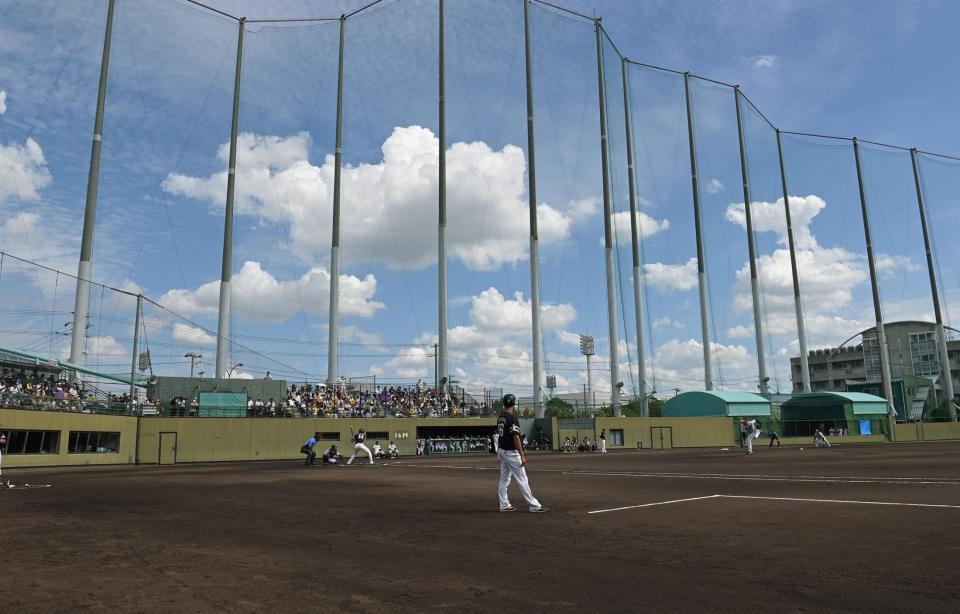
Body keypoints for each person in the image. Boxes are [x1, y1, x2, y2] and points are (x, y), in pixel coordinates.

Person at [496, 393, 548, 513]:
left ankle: (504, 504)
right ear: (513, 404)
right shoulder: (512, 418)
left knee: (504, 479)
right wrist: (522, 455)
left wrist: (499, 452)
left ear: (504, 403)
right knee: (522, 479)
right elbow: (515, 437)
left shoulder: (501, 417)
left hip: (503, 451)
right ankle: (534, 505)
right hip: (511, 453)